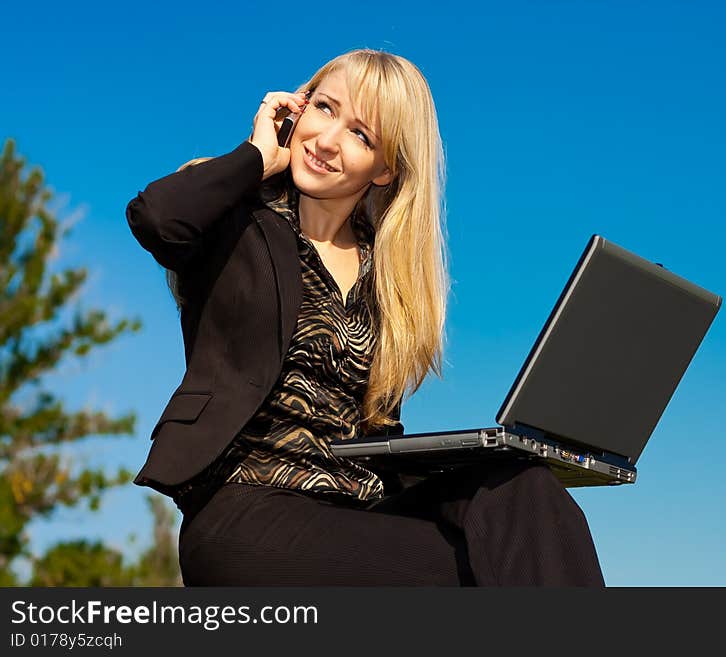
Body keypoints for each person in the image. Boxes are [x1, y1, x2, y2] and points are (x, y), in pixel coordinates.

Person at [126, 48, 605, 587]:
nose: (328, 141)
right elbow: (158, 219)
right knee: (485, 574)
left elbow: (378, 434)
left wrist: (474, 460)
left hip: (359, 515)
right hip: (248, 510)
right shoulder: (236, 218)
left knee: (524, 489)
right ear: (296, 110)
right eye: (324, 109)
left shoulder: (388, 278)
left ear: (386, 169)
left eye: (361, 134)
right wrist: (258, 154)